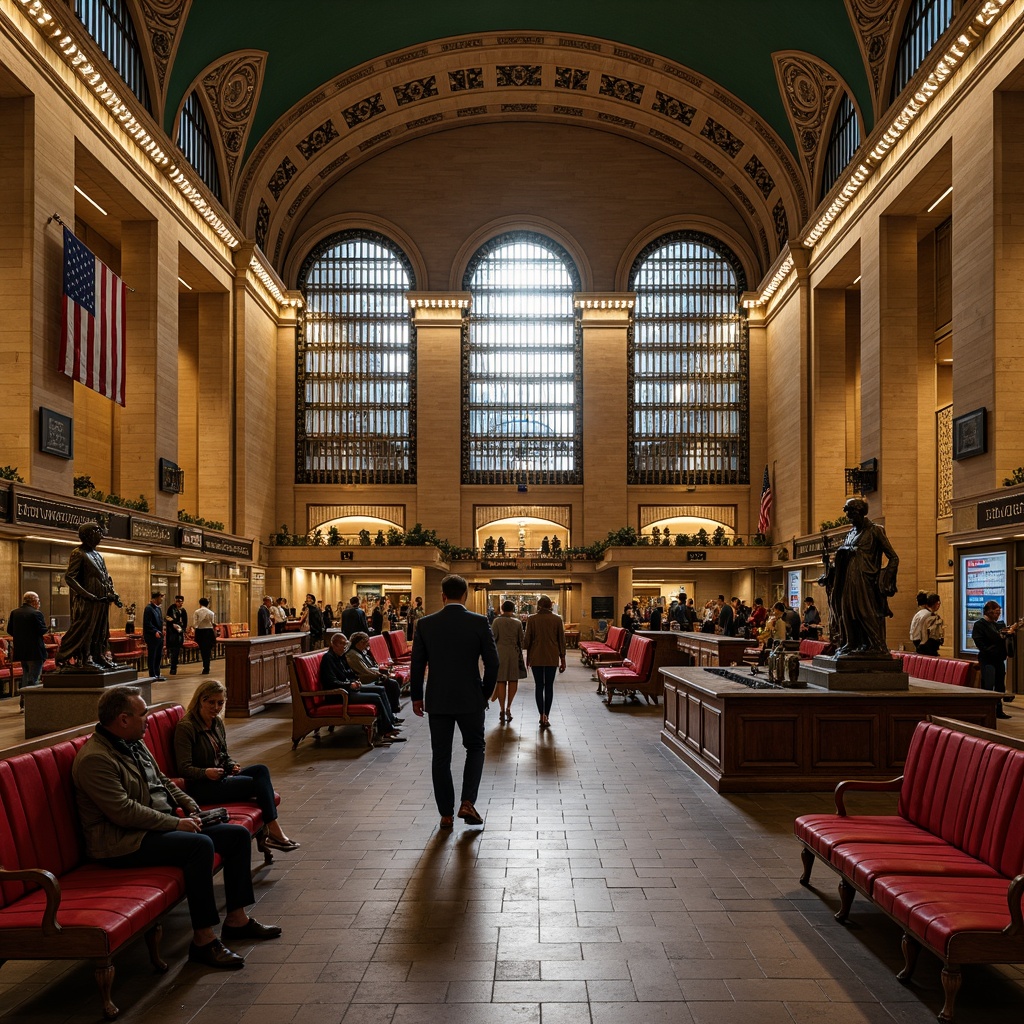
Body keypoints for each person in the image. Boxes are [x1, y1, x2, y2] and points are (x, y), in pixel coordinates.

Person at [72, 685, 281, 970]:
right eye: (143, 714)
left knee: (236, 835)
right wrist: (176, 823)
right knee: (199, 845)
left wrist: (190, 805)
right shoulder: (96, 758)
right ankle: (204, 941)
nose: (148, 719)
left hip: (156, 827)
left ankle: (237, 920)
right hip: (122, 842)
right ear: (122, 719)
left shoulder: (133, 742)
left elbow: (162, 780)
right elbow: (123, 812)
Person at [410, 574, 499, 829]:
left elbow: (417, 664)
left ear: (442, 596)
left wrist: (417, 696)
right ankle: (467, 801)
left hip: (437, 699)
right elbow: (493, 663)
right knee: (475, 747)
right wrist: (484, 693)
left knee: (441, 756)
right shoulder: (479, 622)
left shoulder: (425, 624)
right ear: (466, 595)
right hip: (470, 698)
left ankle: (446, 814)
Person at [174, 679, 299, 851]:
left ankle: (271, 829)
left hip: (220, 777)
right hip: (203, 787)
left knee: (261, 770)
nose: (216, 708)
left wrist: (232, 765)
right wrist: (206, 773)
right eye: (211, 702)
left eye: (220, 703)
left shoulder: (216, 722)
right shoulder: (186, 727)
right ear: (200, 700)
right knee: (257, 784)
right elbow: (183, 767)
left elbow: (223, 754)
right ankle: (274, 830)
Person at [820, 498, 899, 656]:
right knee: (846, 612)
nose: (849, 515)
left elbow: (893, 557)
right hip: (847, 580)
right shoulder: (850, 533)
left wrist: (884, 579)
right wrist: (828, 574)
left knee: (863, 612)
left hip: (865, 580)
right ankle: (852, 643)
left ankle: (878, 645)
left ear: (861, 512)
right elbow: (841, 559)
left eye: (852, 512)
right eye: (847, 512)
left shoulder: (875, 530)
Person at [56, 522, 121, 671]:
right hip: (88, 601)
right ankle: (85, 659)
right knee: (86, 629)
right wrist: (87, 595)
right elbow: (70, 578)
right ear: (89, 534)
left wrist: (113, 593)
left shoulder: (98, 554)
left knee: (101, 630)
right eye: (98, 531)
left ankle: (99, 655)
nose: (101, 535)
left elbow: (106, 578)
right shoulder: (78, 553)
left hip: (102, 601)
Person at [319, 633, 404, 742]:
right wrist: (349, 684)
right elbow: (330, 681)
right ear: (333, 644)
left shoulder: (340, 656)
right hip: (340, 694)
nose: (344, 647)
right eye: (341, 644)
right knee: (376, 697)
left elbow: (349, 673)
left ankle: (390, 723)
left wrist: (355, 681)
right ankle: (386, 731)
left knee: (381, 689)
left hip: (349, 688)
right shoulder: (328, 658)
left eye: (345, 644)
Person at [524, 595, 566, 729]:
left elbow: (527, 641)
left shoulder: (532, 619)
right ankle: (547, 715)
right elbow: (561, 640)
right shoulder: (557, 619)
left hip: (536, 657)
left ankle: (540, 714)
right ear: (550, 606)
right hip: (552, 657)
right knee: (549, 686)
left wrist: (528, 657)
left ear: (538, 605)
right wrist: (563, 658)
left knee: (539, 686)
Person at [971, 600, 1017, 719]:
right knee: (988, 684)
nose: (998, 615)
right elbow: (981, 644)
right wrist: (999, 638)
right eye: (996, 612)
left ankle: (998, 710)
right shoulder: (980, 625)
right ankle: (986, 710)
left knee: (1000, 685)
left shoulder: (999, 625)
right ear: (989, 612)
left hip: (999, 659)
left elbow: (1005, 642)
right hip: (987, 659)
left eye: (999, 612)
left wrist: (1010, 634)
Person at [344, 631, 402, 712]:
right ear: (360, 643)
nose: (368, 645)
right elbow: (363, 671)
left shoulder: (360, 652)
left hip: (369, 676)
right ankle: (392, 711)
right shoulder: (352, 655)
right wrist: (379, 675)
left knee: (392, 683)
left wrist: (379, 672)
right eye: (366, 642)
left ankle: (391, 711)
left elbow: (371, 666)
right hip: (363, 679)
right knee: (392, 684)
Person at [491, 600, 526, 722]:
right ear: (513, 609)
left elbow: (493, 638)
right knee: (513, 680)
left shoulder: (496, 621)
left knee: (501, 681)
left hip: (500, 653)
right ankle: (509, 707)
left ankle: (501, 709)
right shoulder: (517, 623)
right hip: (513, 653)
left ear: (502, 609)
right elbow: (521, 639)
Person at [143, 592, 165, 681]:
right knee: (153, 655)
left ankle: (158, 673)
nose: (162, 600)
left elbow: (160, 621)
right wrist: (155, 631)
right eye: (161, 598)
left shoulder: (158, 609)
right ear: (155, 598)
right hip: (152, 636)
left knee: (159, 655)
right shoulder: (148, 609)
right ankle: (152, 674)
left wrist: (162, 628)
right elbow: (147, 623)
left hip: (159, 636)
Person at [193, 597, 217, 674]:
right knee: (208, 649)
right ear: (208, 604)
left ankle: (205, 666)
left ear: (200, 603)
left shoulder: (197, 612)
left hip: (200, 632)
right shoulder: (211, 613)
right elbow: (213, 623)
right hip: (209, 631)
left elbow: (195, 624)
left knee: (203, 649)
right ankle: (207, 666)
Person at [165, 595, 188, 675]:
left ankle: (174, 664)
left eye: (181, 601)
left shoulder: (183, 610)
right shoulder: (171, 609)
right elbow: (168, 619)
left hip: (180, 633)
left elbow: (185, 621)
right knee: (173, 650)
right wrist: (174, 624)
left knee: (177, 650)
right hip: (172, 633)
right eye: (178, 601)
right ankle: (173, 667)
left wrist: (183, 629)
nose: (179, 603)